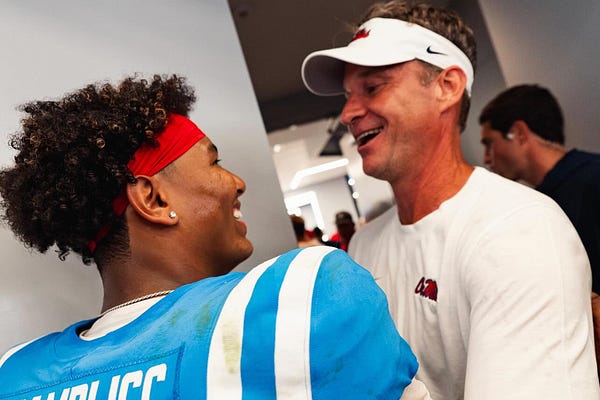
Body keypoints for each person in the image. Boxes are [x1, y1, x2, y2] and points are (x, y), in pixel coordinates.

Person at [0, 74, 426, 399]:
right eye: (214, 163)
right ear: (152, 198)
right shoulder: (304, 299)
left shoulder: (14, 375)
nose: (237, 182)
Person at [301, 1, 600, 399]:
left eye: (373, 87)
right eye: (347, 95)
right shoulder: (365, 245)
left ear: (447, 86)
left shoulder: (519, 229)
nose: (348, 113)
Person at [479, 84, 600, 294]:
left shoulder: (594, 179)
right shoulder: (541, 202)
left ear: (518, 133)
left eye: (490, 144)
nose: (486, 159)